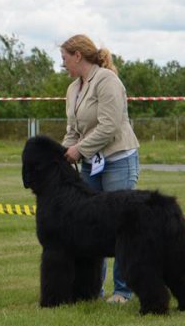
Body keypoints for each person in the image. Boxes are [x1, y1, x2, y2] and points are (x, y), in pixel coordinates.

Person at [60, 34, 141, 304]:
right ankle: (92, 288)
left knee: (122, 226)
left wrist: (79, 150)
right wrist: (62, 153)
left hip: (118, 158)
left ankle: (123, 291)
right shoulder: (73, 89)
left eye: (65, 60)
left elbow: (110, 125)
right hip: (91, 165)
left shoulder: (107, 81)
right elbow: (73, 130)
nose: (63, 66)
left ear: (78, 56)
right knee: (89, 225)